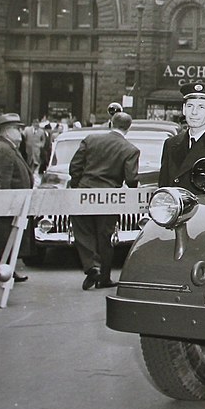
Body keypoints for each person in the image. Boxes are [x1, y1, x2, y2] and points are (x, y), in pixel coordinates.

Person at [68, 111, 140, 291]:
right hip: (110, 197)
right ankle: (104, 276)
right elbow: (131, 179)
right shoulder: (130, 149)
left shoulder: (91, 139)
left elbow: (75, 166)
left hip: (84, 192)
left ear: (110, 123)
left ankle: (92, 266)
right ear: (128, 128)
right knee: (105, 236)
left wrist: (79, 185)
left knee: (83, 232)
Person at [158, 83, 205, 195]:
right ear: (183, 109)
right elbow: (164, 188)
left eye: (201, 107)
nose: (194, 112)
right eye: (190, 106)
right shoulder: (171, 144)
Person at [0, 113, 32, 282]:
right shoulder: (4, 149)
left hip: (12, 203)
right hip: (8, 204)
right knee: (4, 238)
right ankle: (3, 270)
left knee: (8, 239)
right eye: (17, 129)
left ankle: (6, 268)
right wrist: (6, 204)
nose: (20, 133)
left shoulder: (8, 148)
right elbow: (3, 179)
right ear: (7, 131)